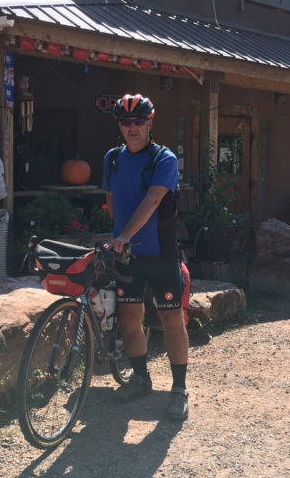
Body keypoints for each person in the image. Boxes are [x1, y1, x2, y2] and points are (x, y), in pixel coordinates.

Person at [102, 94, 189, 420]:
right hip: (127, 256)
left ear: (150, 122)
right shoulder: (112, 158)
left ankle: (179, 388)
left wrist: (124, 235)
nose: (132, 127)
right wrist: (118, 236)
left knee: (171, 318)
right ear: (119, 125)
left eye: (139, 121)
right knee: (129, 318)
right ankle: (141, 378)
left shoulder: (163, 159)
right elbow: (111, 199)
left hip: (160, 252)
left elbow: (153, 201)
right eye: (126, 122)